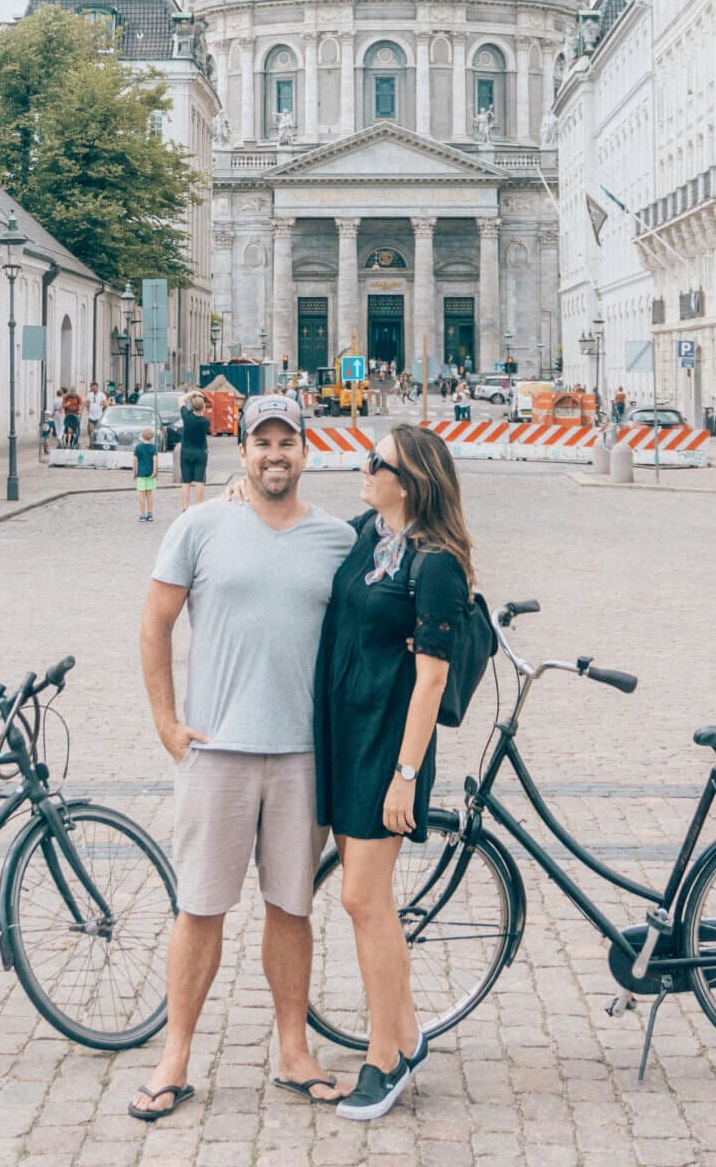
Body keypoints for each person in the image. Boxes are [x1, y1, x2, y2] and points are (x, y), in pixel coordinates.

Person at [132, 395, 358, 1123]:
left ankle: (293, 1051)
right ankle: (175, 1057)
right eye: (261, 443)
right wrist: (167, 721)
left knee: (291, 909)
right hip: (219, 751)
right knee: (199, 908)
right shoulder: (200, 526)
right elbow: (155, 623)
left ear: (306, 450)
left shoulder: (337, 540)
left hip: (301, 755)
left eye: (286, 442)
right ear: (242, 452)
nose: (274, 455)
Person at [313, 424, 470, 1121]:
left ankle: (385, 1057)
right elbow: (294, 532)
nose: (362, 467)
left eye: (375, 463)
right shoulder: (362, 533)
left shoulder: (436, 564)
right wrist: (234, 497)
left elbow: (433, 679)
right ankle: (406, 1036)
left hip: (388, 743)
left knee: (361, 900)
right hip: (344, 733)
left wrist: (408, 774)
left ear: (409, 482)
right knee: (365, 900)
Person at [179, 394, 210, 509]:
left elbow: (181, 400)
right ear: (203, 407)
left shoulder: (187, 417)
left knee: (185, 482)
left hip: (186, 451)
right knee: (199, 481)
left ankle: (185, 507)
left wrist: (193, 393)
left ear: (192, 406)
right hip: (201, 452)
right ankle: (198, 507)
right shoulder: (205, 421)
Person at [134, 424, 158, 521]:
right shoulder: (153, 448)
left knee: (141, 496)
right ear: (152, 437)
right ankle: (150, 514)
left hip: (141, 474)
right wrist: (154, 471)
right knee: (149, 495)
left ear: (142, 436)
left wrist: (134, 472)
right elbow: (155, 460)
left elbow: (135, 461)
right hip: (150, 474)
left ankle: (142, 514)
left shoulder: (138, 447)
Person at [85, 382, 106, 447]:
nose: (93, 389)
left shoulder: (101, 395)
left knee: (98, 431)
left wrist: (103, 405)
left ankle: (98, 443)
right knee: (90, 431)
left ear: (97, 387)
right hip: (91, 416)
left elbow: (106, 403)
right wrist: (87, 407)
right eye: (92, 388)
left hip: (99, 416)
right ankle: (91, 443)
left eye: (95, 388)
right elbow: (87, 402)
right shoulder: (89, 394)